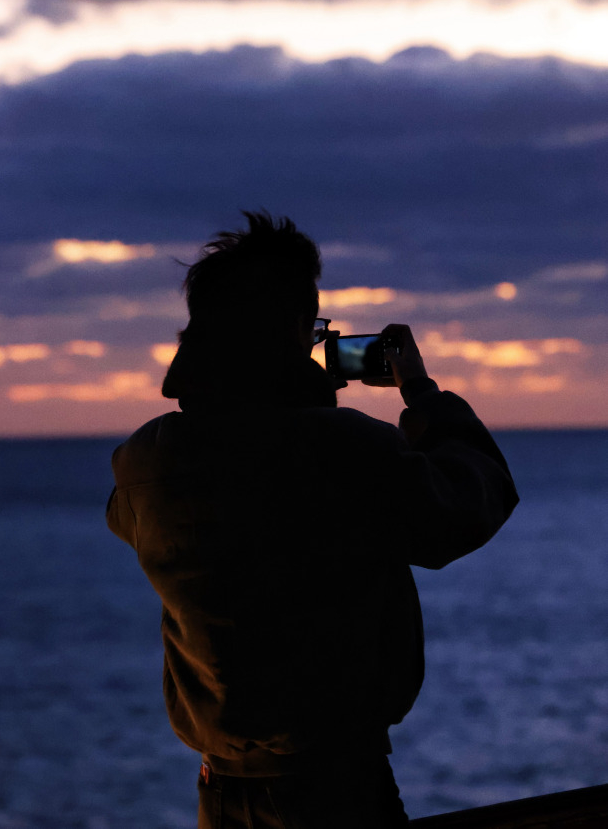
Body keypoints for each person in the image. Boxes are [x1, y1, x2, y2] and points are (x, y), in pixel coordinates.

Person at [106, 212, 518, 828]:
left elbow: (141, 510)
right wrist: (422, 392)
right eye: (313, 329)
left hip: (220, 795)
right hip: (336, 791)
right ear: (296, 330)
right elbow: (469, 502)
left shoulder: (144, 461)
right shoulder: (345, 449)